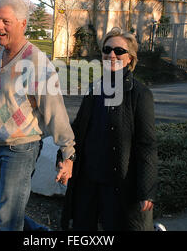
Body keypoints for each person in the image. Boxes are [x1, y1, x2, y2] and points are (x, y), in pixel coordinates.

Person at [0, 0, 76, 231]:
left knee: (9, 217)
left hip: (20, 148)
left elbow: (55, 110)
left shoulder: (36, 62)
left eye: (5, 21)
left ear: (23, 24)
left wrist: (68, 153)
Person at [60, 27, 158, 231]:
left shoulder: (140, 94)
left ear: (130, 58)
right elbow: (78, 129)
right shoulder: (95, 88)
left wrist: (146, 190)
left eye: (119, 51)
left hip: (117, 183)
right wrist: (65, 159)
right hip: (87, 179)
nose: (111, 55)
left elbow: (146, 144)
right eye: (107, 49)